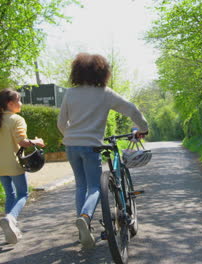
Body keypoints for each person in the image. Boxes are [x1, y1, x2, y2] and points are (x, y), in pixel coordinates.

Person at [57, 53, 148, 248]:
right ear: (102, 73)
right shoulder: (105, 93)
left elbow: (61, 122)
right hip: (92, 146)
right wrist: (143, 128)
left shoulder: (70, 93)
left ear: (77, 72)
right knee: (95, 187)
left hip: (71, 146)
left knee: (81, 186)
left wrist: (72, 136)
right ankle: (85, 216)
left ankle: (84, 228)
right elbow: (131, 109)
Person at [0, 88, 45, 244]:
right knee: (23, 194)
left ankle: (9, 230)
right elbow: (22, 141)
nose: (21, 103)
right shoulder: (16, 119)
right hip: (14, 165)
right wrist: (37, 142)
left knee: (10, 195)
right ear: (10, 104)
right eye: (19, 100)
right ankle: (11, 218)